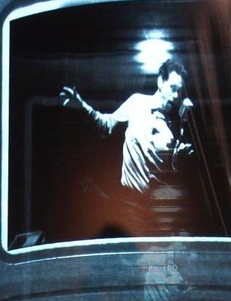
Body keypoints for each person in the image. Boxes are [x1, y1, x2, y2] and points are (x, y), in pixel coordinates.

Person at [59, 59, 199, 237]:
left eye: (179, 91)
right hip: (129, 204)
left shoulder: (174, 128)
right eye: (173, 88)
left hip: (158, 208)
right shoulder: (137, 103)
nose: (175, 96)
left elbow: (170, 174)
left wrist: (179, 160)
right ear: (160, 82)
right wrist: (82, 106)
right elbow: (106, 124)